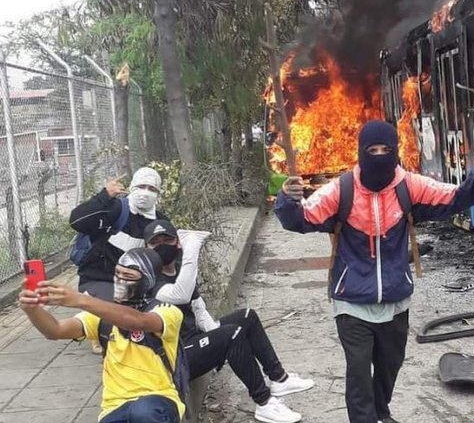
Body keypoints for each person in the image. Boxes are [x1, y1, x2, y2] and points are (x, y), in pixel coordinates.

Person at [273, 120, 474, 423]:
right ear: (360, 152)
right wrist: (287, 198)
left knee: (390, 365)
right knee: (358, 371)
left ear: (395, 151)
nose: (379, 156)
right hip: (351, 299)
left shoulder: (410, 186)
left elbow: (457, 197)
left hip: (395, 299)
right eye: (372, 150)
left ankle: (381, 414)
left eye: (386, 150)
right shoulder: (341, 190)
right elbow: (299, 219)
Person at [144, 220, 314, 423]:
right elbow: (181, 294)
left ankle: (279, 379)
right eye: (155, 242)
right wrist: (191, 250)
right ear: (146, 248)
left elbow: (197, 306)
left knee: (247, 317)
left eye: (167, 239)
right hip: (177, 356)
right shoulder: (151, 280)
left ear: (177, 243)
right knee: (232, 334)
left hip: (194, 339)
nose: (162, 245)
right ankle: (264, 402)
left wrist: (213, 330)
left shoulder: (180, 269)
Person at [19, 248, 185, 423]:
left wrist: (80, 299)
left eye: (128, 277)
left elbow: (139, 322)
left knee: (142, 412)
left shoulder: (167, 311)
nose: (120, 280)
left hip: (157, 401)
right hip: (114, 407)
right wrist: (32, 310)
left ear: (148, 281)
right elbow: (55, 330)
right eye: (117, 274)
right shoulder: (101, 317)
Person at [70, 167, 169, 301]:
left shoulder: (160, 223)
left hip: (138, 285)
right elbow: (77, 220)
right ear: (132, 187)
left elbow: (167, 259)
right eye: (141, 186)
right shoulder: (116, 209)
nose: (145, 193)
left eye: (152, 189)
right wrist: (105, 196)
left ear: (158, 193)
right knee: (115, 312)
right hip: (100, 280)